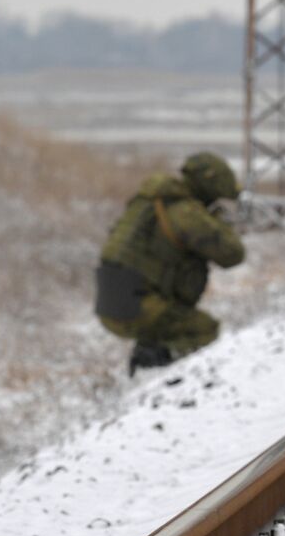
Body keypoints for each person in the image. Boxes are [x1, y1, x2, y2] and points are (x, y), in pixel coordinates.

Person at [95, 152, 245, 374]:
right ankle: (164, 376)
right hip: (138, 305)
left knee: (165, 329)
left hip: (113, 301)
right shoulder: (184, 211)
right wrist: (219, 222)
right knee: (204, 330)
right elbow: (232, 254)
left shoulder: (153, 200)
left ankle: (149, 364)